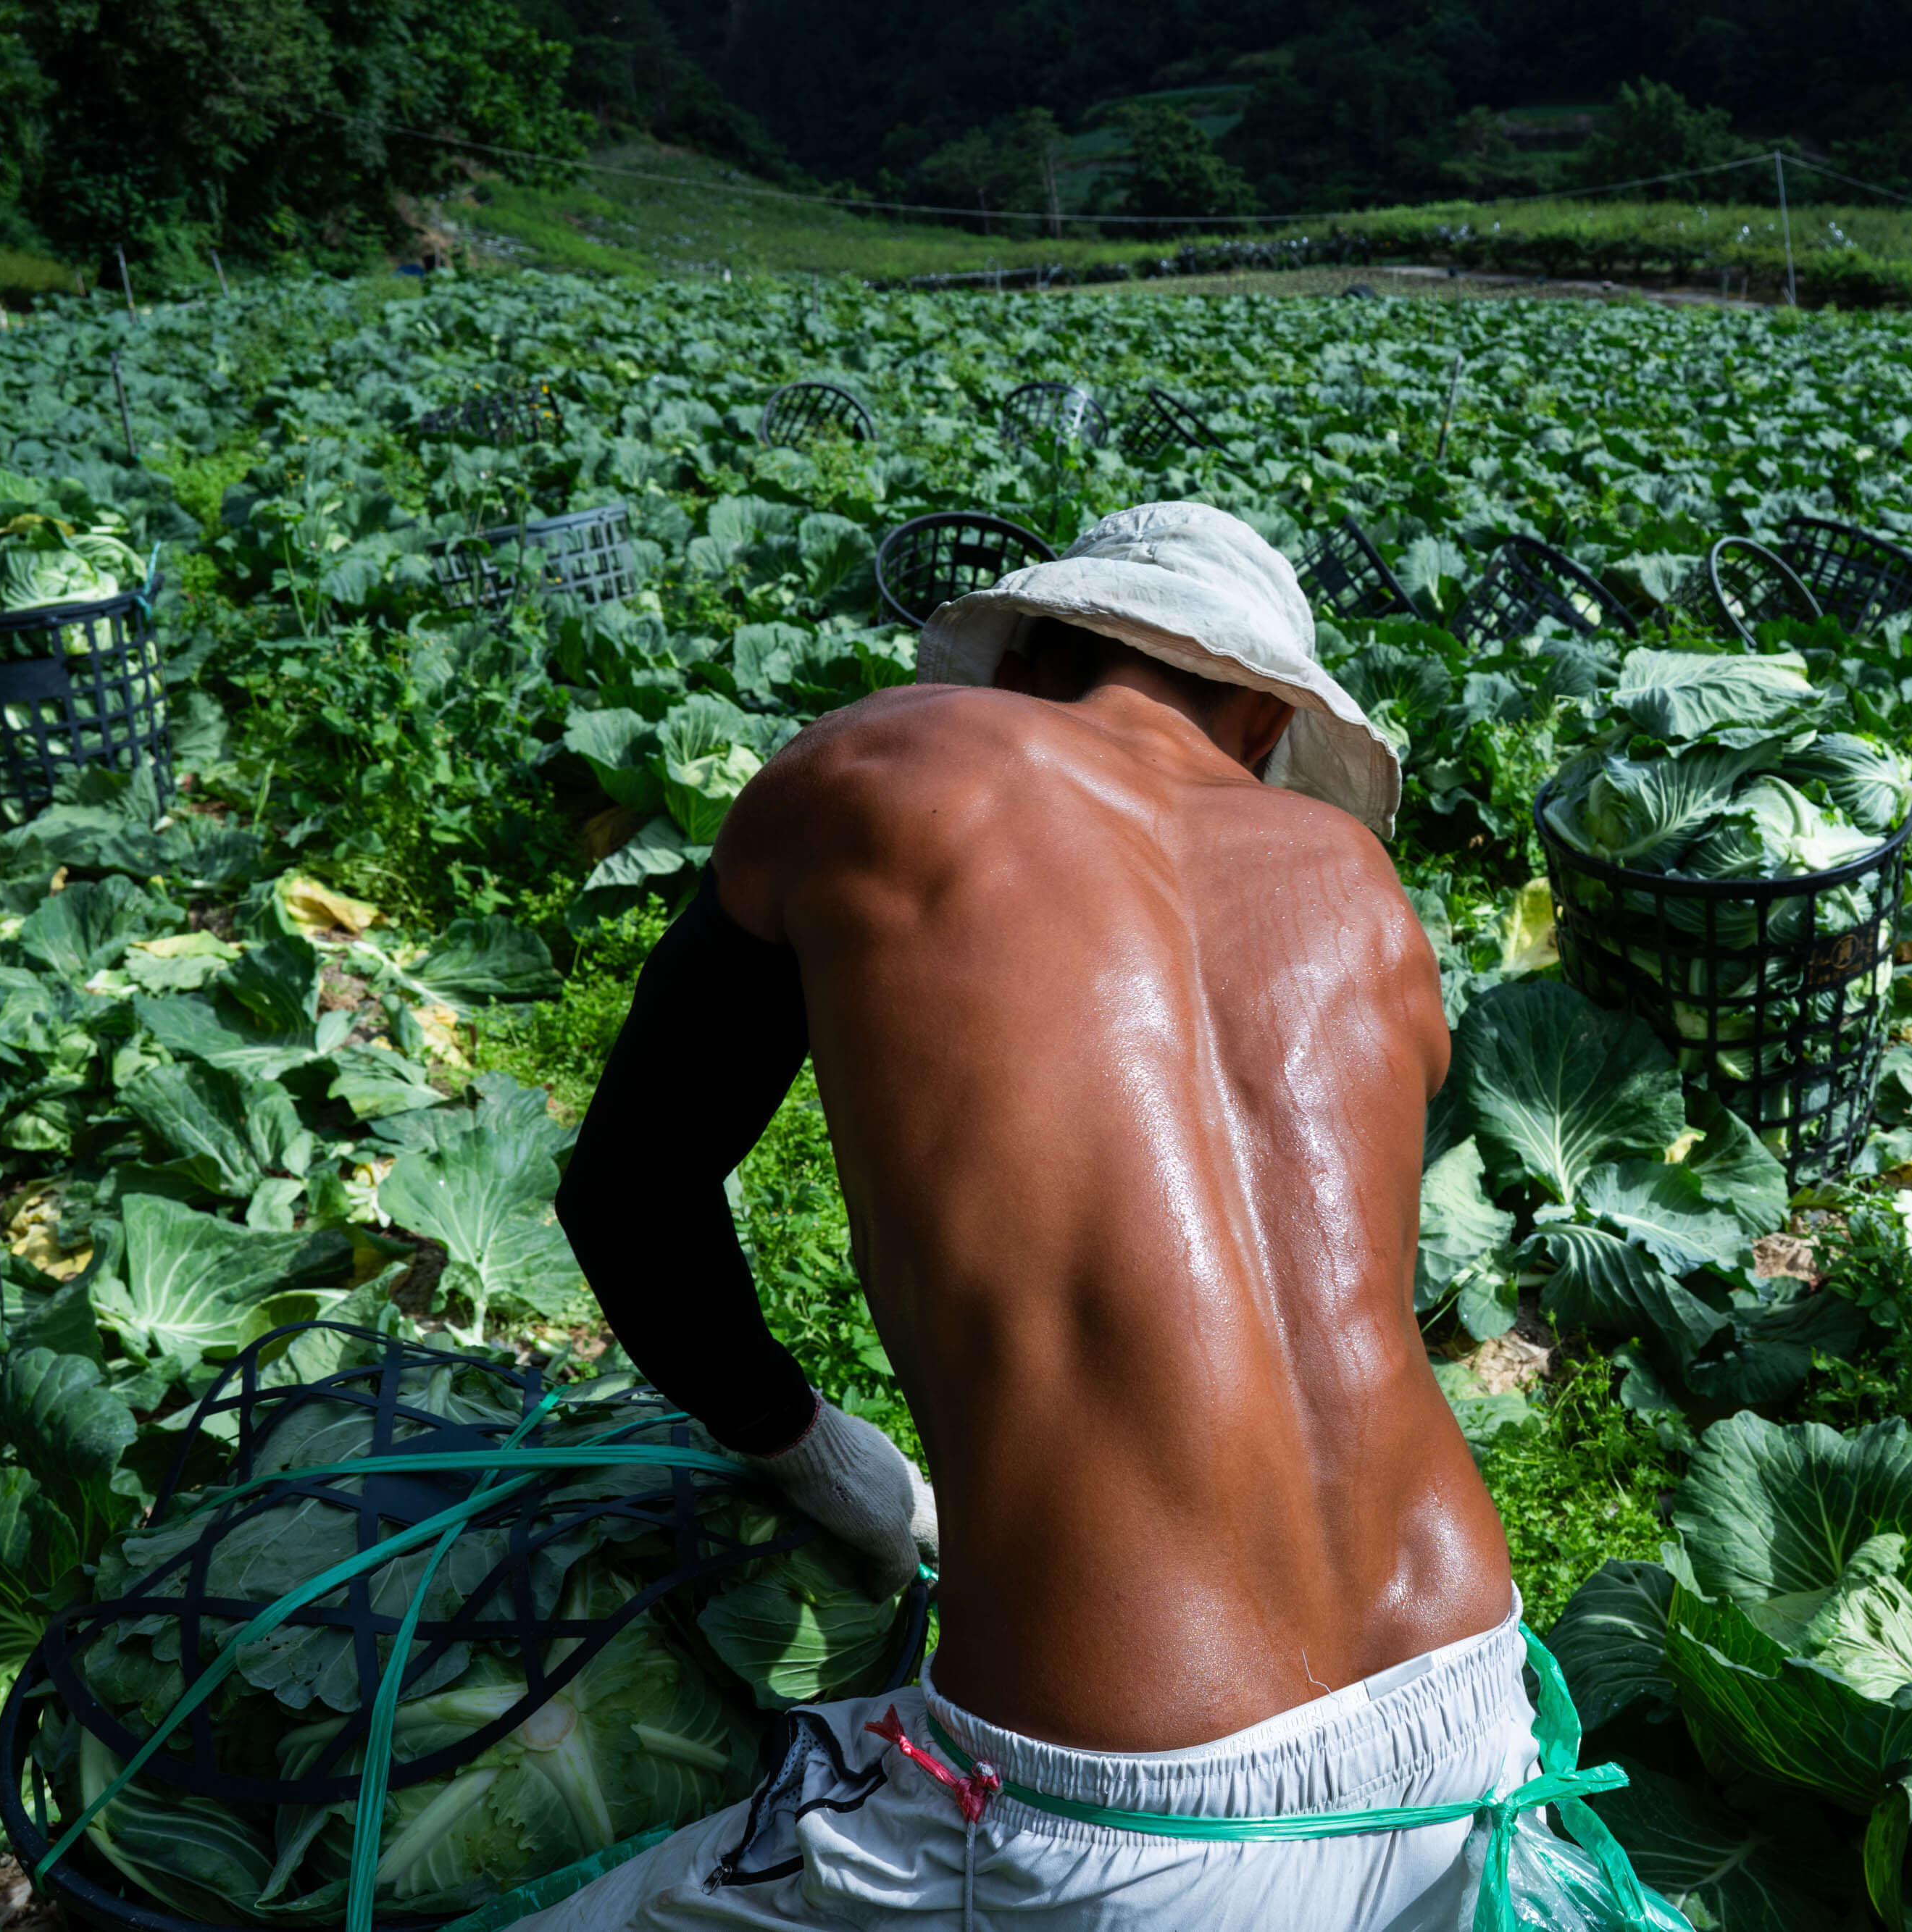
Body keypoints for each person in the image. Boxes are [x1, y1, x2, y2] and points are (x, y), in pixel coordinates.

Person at [535, 502, 1569, 1930]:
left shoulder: (880, 762)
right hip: (1469, 1725)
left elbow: (629, 1191)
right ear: (1263, 715)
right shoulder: (1355, 880)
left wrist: (819, 1455)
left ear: (1019, 652)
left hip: (1117, 1820)